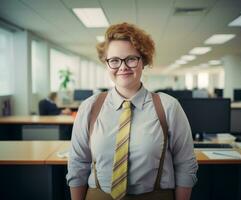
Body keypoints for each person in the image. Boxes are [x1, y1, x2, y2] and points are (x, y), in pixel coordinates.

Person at [66, 22, 198, 200]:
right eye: (114, 60)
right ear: (106, 64)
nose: (122, 67)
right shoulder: (89, 107)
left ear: (143, 61)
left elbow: (185, 164)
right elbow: (78, 163)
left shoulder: (168, 107)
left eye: (131, 59)